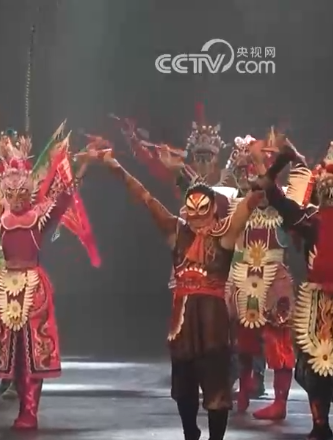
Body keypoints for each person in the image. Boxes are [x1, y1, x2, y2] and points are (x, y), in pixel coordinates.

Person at [91, 146, 260, 440]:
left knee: (216, 385)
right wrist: (114, 165)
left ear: (214, 208)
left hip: (213, 322)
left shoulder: (225, 234)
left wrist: (264, 170)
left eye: (202, 208)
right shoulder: (177, 231)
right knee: (183, 386)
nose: (196, 215)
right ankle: (190, 432)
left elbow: (249, 204)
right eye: (191, 208)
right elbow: (146, 198)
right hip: (182, 320)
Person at [0, 128, 100, 429]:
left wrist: (84, 164)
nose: (16, 198)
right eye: (11, 192)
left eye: (22, 193)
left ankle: (29, 410)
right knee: (14, 356)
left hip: (33, 289)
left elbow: (64, 196)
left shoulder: (40, 215)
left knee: (33, 355)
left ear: (30, 190)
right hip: (6, 287)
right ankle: (22, 404)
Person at [222, 131, 303, 419]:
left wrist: (259, 160)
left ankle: (280, 402)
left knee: (277, 340)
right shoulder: (238, 206)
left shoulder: (283, 206)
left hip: (273, 278)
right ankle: (243, 390)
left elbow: (272, 190)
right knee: (241, 340)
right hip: (242, 274)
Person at [258, 141, 333, 440]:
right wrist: (284, 161)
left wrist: (284, 162)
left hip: (319, 304)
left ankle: (320, 425)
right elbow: (272, 192)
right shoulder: (311, 221)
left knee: (316, 366)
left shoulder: (311, 221)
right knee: (315, 365)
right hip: (319, 305)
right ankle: (320, 424)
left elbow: (271, 191)